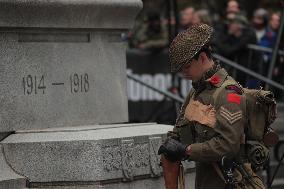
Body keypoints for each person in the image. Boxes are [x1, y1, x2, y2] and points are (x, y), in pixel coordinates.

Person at [158, 24, 265, 189]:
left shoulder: (229, 92)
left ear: (202, 58)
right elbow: (181, 129)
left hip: (231, 182)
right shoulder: (195, 92)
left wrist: (187, 150)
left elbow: (228, 145)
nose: (183, 73)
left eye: (186, 66)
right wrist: (172, 143)